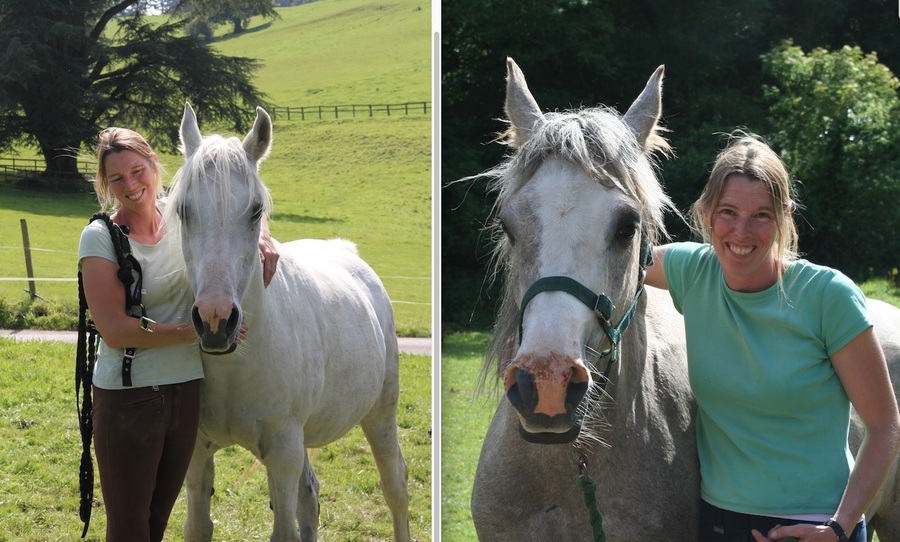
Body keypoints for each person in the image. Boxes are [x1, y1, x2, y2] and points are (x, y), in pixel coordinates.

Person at [644, 133, 900, 542]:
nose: (741, 231)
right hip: (721, 523)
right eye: (728, 211)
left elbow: (885, 426)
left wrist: (839, 526)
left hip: (817, 526)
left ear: (785, 215)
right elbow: (609, 259)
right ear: (707, 212)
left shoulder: (826, 296)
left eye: (761, 215)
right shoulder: (691, 271)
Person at [78, 127, 279, 541]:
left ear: (154, 163)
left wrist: (263, 234)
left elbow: (232, 212)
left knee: (156, 522)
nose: (131, 186)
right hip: (129, 398)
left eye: (137, 171)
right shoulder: (100, 238)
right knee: (130, 528)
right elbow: (114, 330)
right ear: (105, 184)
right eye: (117, 179)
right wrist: (194, 331)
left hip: (184, 395)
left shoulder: (181, 215)